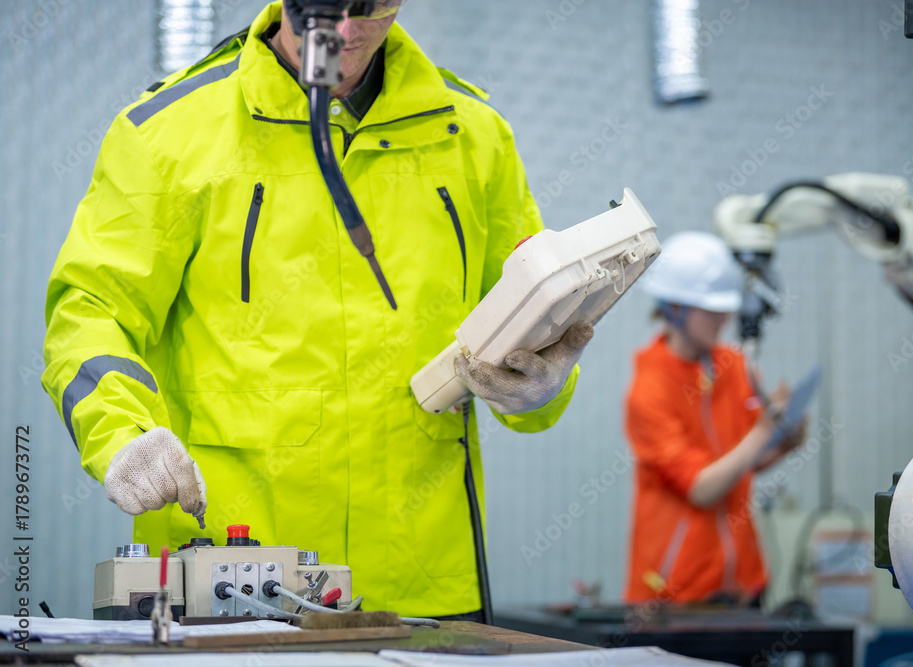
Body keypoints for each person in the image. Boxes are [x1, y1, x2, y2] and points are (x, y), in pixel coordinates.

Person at [42, 0, 592, 620]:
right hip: (231, 581)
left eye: (372, 5)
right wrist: (120, 431)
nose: (348, 30)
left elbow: (530, 306)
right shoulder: (170, 132)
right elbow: (91, 309)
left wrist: (544, 382)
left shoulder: (472, 135)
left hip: (425, 590)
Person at [623, 231, 804, 605]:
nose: (724, 318)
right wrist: (763, 431)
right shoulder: (649, 389)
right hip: (678, 595)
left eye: (725, 307)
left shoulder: (733, 365)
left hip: (745, 584)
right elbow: (702, 488)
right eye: (711, 309)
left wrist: (784, 441)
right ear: (674, 307)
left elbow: (743, 464)